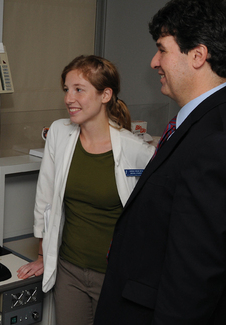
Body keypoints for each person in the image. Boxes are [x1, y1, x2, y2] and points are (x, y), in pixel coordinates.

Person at [93, 0, 226, 324]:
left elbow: (192, 277)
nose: (154, 62)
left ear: (198, 55)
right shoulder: (195, 125)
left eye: (162, 50)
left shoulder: (213, 140)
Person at [16, 55, 155, 325]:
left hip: (114, 274)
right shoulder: (59, 132)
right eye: (67, 89)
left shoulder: (137, 151)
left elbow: (149, 220)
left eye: (79, 89)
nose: (69, 98)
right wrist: (44, 255)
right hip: (69, 270)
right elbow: (45, 198)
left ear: (105, 95)